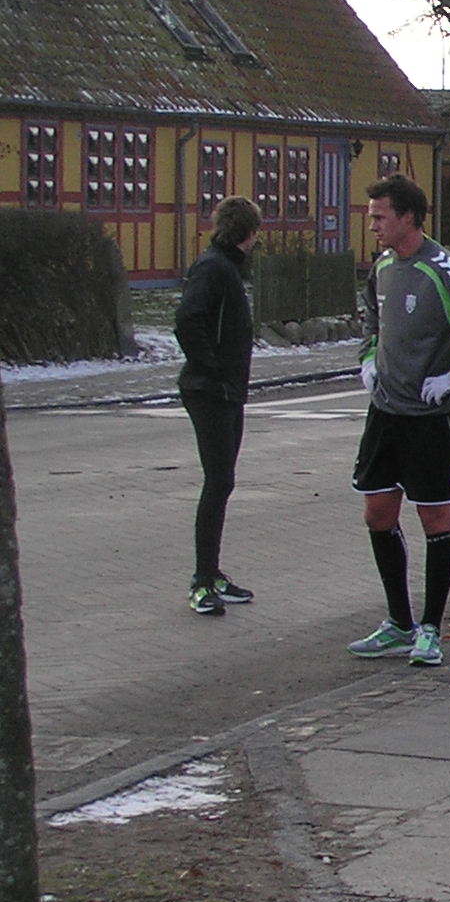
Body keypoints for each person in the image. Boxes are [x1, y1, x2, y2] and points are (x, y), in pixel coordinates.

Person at [347, 175, 450, 667]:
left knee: (434, 517)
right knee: (378, 513)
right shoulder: (382, 267)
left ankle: (431, 629)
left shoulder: (442, 268)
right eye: (371, 216)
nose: (372, 225)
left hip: (430, 417)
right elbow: (372, 319)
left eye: (380, 217)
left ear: (409, 218)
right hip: (386, 411)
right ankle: (398, 623)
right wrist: (368, 358)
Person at [176, 195, 262, 617]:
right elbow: (186, 320)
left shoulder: (225, 267)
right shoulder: (214, 268)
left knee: (223, 482)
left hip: (227, 391)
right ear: (249, 233)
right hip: (210, 391)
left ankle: (212, 571)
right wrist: (212, 368)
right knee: (218, 480)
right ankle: (201, 581)